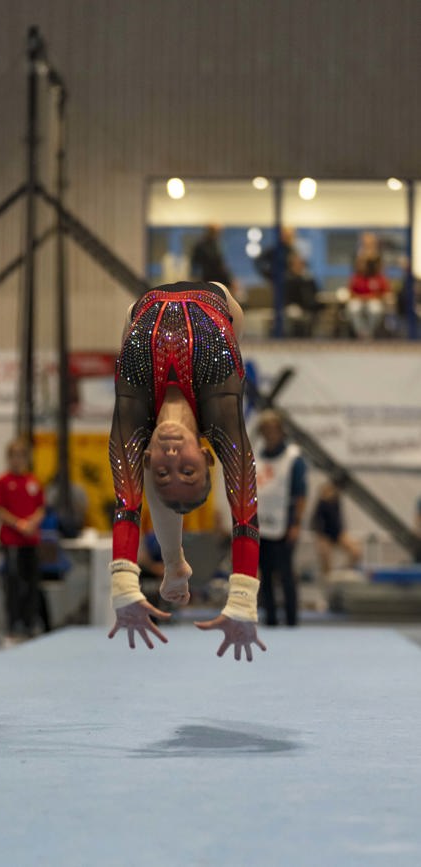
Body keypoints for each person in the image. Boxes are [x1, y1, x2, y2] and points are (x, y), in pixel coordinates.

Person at [108, 280, 265, 661]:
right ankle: (175, 562)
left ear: (151, 461)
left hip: (139, 313)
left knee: (133, 470)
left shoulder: (134, 416)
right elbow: (245, 511)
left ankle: (174, 562)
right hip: (220, 302)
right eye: (189, 471)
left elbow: (127, 504)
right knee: (232, 329)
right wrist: (243, 598)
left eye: (164, 472)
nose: (173, 457)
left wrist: (124, 588)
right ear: (208, 458)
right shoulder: (222, 411)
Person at [255, 409, 307, 627]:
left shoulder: (293, 459)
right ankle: (271, 618)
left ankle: (292, 619)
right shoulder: (256, 454)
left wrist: (296, 524)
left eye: (274, 429)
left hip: (284, 524)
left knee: (285, 574)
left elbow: (301, 495)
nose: (270, 434)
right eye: (266, 430)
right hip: (259, 524)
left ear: (281, 431)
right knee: (265, 575)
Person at [0, 437, 45, 642]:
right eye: (14, 456)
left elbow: (41, 508)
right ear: (9, 458)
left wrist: (32, 523)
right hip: (12, 539)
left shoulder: (33, 481)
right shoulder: (3, 482)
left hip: (30, 540)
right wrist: (19, 524)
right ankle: (13, 625)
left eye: (21, 456)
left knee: (32, 583)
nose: (18, 460)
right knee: (13, 583)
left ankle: (30, 622)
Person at [310, 481, 362, 596]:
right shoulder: (321, 503)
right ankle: (328, 581)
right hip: (325, 536)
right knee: (324, 553)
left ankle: (344, 573)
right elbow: (314, 523)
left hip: (338, 534)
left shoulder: (337, 500)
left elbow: (339, 522)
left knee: (356, 551)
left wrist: (344, 534)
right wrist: (321, 538)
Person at [347, 250, 390, 339]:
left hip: (374, 301)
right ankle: (360, 332)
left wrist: (370, 297)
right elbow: (350, 292)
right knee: (353, 308)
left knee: (374, 309)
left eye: (366, 264)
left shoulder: (378, 277)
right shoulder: (356, 277)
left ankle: (368, 332)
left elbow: (384, 293)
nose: (363, 266)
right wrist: (362, 297)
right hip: (359, 301)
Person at [190, 225, 234, 290]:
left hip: (208, 279)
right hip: (212, 280)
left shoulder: (211, 244)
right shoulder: (207, 246)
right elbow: (217, 264)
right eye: (218, 232)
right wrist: (230, 281)